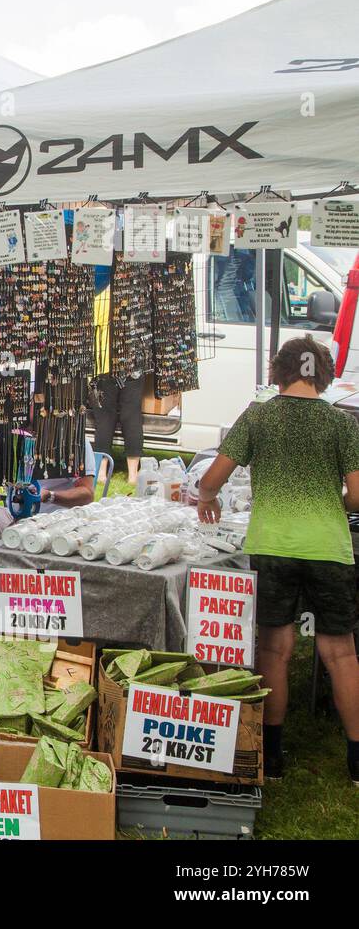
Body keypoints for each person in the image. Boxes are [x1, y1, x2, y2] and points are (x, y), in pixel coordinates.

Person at [197, 336, 359, 785]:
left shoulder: (259, 415)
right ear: (323, 375)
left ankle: (272, 756)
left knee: (275, 651)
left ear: (279, 371)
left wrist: (207, 498)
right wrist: (334, 502)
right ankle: (357, 760)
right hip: (329, 547)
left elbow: (212, 478)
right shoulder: (341, 423)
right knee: (341, 654)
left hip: (271, 545)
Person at [0, 436, 98, 539]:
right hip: (12, 516)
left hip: (53, 522)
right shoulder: (13, 435)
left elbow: (87, 494)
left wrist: (50, 496)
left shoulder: (76, 440)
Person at [91, 277, 144, 484]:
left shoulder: (99, 294)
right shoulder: (135, 293)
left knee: (104, 419)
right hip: (132, 364)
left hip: (103, 364)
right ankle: (133, 474)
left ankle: (102, 472)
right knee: (132, 416)